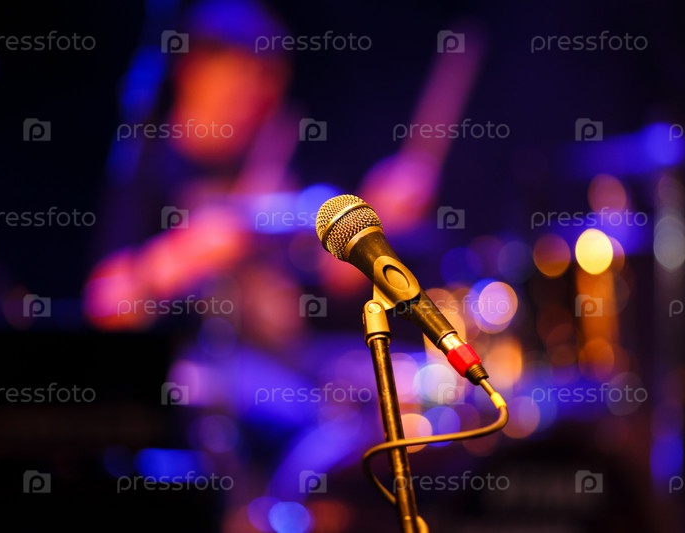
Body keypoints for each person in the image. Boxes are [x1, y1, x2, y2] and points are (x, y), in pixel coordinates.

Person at [82, 1, 484, 529]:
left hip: (293, 359)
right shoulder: (149, 164)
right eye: (244, 81)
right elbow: (106, 303)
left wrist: (378, 221)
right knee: (290, 410)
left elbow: (336, 277)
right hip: (200, 375)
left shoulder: (282, 162)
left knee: (411, 388)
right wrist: (192, 249)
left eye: (270, 86)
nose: (259, 101)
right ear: (193, 70)